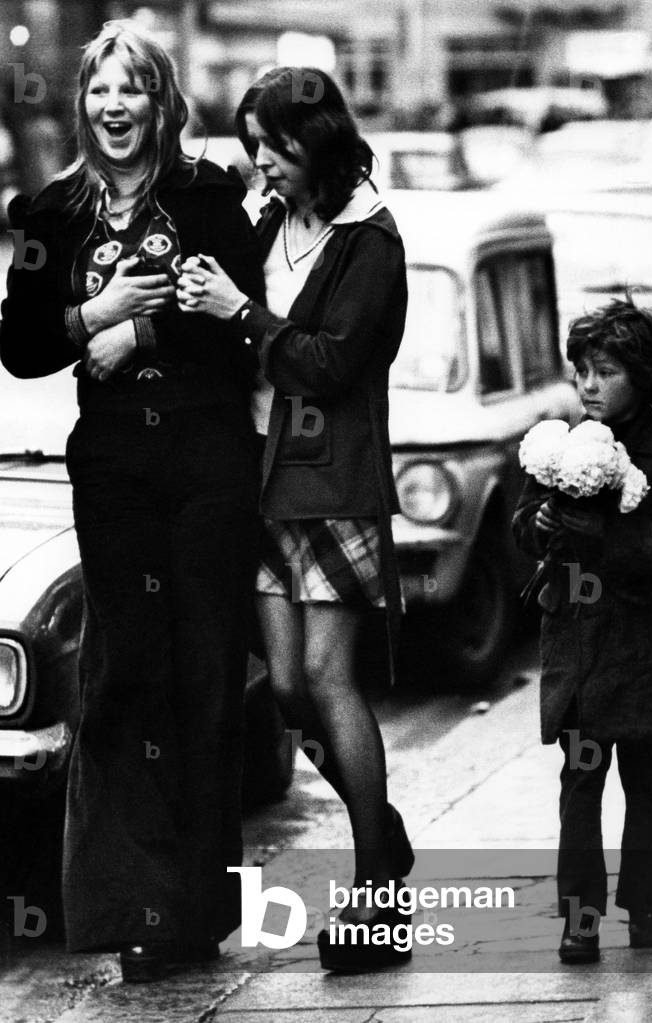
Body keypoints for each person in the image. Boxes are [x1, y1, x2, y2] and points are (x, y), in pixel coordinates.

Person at [0, 22, 264, 982]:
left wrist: (143, 332)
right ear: (83, 102)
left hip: (206, 462)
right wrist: (93, 319)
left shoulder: (208, 196)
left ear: (162, 103)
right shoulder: (49, 213)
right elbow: (24, 346)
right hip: (112, 472)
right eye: (102, 90)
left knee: (204, 678)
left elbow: (237, 334)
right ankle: (137, 902)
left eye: (135, 90)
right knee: (127, 681)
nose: (116, 107)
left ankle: (193, 913)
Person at [176, 66, 413, 972]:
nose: (261, 165)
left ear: (313, 144)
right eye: (253, 150)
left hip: (334, 481)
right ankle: (378, 827)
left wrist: (243, 315)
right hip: (267, 478)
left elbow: (328, 362)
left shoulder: (370, 243)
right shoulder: (270, 220)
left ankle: (377, 895)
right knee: (281, 687)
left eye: (272, 148)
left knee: (328, 674)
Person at [512, 295, 652, 964]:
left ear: (643, 375)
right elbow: (526, 519)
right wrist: (536, 526)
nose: (588, 385)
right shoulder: (564, 445)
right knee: (580, 780)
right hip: (581, 650)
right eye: (581, 371)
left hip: (645, 651)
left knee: (644, 780)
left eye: (604, 371)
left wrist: (602, 534)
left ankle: (645, 904)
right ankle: (579, 917)